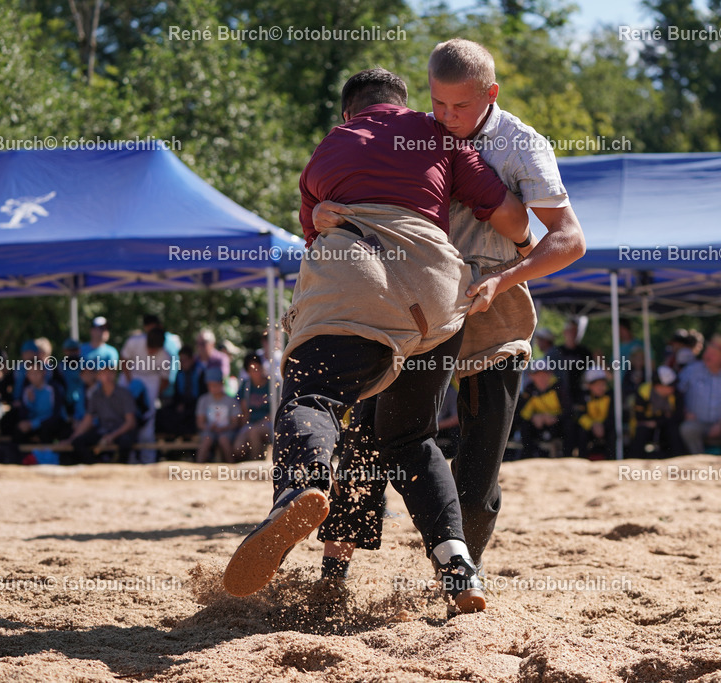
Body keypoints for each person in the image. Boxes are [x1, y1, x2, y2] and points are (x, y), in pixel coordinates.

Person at [223, 66, 544, 612]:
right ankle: (458, 567)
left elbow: (313, 228)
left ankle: (301, 489)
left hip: (357, 282)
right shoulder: (438, 133)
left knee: (314, 399)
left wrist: (324, 209)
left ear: (348, 113)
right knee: (411, 438)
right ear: (406, 101)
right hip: (437, 294)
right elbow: (513, 220)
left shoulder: (329, 148)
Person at [313, 40, 585, 578]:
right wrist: (324, 210)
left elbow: (570, 240)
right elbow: (363, 190)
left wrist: (507, 276)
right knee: (367, 440)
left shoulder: (521, 145)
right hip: (417, 300)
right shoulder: (417, 130)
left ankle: (462, 576)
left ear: (491, 93)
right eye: (437, 102)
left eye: (460, 106)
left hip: (493, 303)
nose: (447, 116)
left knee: (478, 477)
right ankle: (332, 575)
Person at [66, 367, 137, 464]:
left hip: (121, 432)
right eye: (103, 373)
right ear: (98, 376)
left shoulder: (124, 393)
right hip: (103, 431)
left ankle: (120, 468)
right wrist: (72, 438)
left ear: (115, 375)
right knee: (78, 442)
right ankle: (95, 467)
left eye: (110, 373)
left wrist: (112, 436)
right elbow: (88, 420)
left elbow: (130, 422)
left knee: (125, 442)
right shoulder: (95, 395)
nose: (107, 376)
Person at [121, 326, 171, 464]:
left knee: (148, 422)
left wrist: (151, 397)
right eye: (149, 347)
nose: (150, 351)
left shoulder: (165, 356)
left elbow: (165, 380)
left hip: (152, 381)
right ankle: (129, 459)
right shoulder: (134, 341)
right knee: (125, 416)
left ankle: (148, 460)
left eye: (154, 349)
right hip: (131, 375)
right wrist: (131, 383)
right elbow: (124, 360)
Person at [549, 317, 594, 458]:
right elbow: (548, 373)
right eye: (569, 330)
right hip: (562, 397)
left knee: (581, 424)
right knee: (565, 425)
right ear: (564, 332)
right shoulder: (556, 352)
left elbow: (592, 373)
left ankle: (582, 456)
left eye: (575, 331)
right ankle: (566, 456)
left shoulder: (584, 352)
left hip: (580, 396)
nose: (572, 334)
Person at [629, 365, 682, 459]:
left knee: (673, 430)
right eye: (670, 385)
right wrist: (663, 418)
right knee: (641, 431)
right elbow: (639, 416)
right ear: (658, 386)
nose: (672, 388)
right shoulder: (644, 391)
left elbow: (678, 416)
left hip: (664, 425)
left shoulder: (675, 394)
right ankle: (634, 460)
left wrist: (657, 422)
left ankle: (677, 458)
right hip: (644, 427)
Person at [155, 345, 205, 439]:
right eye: (180, 360)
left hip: (197, 404)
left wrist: (187, 404)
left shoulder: (200, 372)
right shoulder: (180, 373)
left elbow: (202, 394)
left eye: (184, 360)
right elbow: (177, 394)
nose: (182, 363)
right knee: (163, 413)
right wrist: (180, 403)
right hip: (182, 403)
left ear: (191, 359)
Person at [195, 366, 242, 463]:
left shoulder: (231, 401)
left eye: (215, 385)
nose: (213, 388)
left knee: (223, 440)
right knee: (206, 440)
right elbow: (200, 422)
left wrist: (225, 428)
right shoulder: (203, 400)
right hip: (209, 431)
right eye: (210, 385)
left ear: (221, 384)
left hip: (227, 432)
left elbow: (235, 423)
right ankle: (198, 466)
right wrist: (209, 427)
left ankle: (231, 466)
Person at [518, 361, 561, 459]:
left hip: (557, 424)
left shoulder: (559, 387)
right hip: (539, 425)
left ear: (550, 374)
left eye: (545, 374)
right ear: (531, 376)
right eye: (538, 374)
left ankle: (568, 456)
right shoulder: (529, 390)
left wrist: (556, 417)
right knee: (525, 426)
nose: (542, 378)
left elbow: (569, 411)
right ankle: (528, 457)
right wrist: (534, 417)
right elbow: (522, 414)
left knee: (569, 425)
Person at [233, 353, 271, 461]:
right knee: (238, 448)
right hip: (251, 423)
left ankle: (256, 463)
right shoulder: (246, 386)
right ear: (248, 372)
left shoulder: (271, 385)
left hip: (268, 422)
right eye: (253, 370)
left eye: (258, 368)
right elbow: (244, 411)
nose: (257, 372)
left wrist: (260, 423)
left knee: (254, 433)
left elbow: (275, 409)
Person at [578, 368, 613, 460]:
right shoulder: (584, 396)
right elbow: (580, 415)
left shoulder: (610, 396)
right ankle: (582, 459)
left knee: (613, 433)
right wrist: (592, 425)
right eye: (597, 384)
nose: (601, 387)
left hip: (606, 427)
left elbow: (612, 416)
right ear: (589, 385)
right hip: (590, 428)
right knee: (581, 432)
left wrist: (603, 425)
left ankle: (611, 459)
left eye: (603, 384)